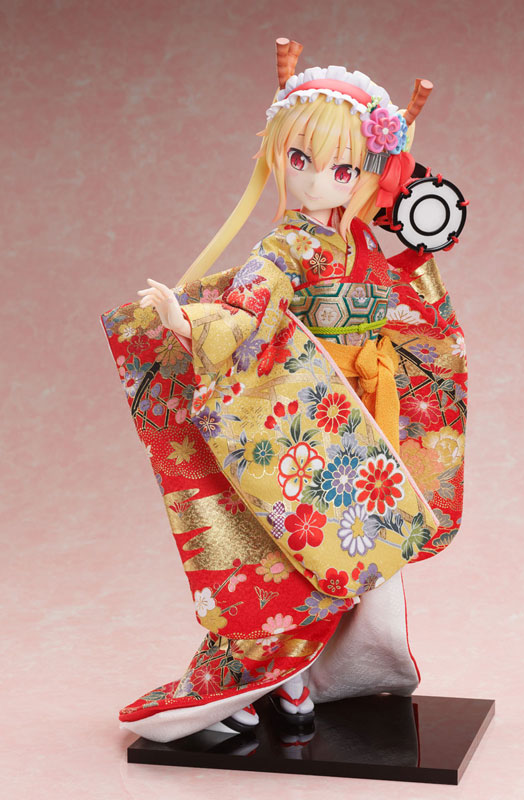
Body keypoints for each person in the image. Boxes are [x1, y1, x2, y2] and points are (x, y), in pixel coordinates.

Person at [101, 40, 467, 743]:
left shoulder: (359, 240)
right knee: (294, 553)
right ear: (277, 155)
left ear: (364, 173)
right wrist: (188, 321)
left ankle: (312, 680)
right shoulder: (284, 248)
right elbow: (248, 309)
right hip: (307, 412)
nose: (319, 179)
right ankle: (273, 682)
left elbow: (403, 294)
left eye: (343, 168)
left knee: (358, 549)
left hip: (368, 407)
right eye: (301, 159)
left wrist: (421, 240)